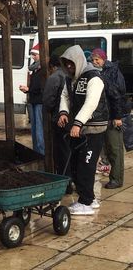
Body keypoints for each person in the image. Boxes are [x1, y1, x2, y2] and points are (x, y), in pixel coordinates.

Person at [58, 45, 108, 215]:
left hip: (93, 129)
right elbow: (64, 96)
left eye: (71, 64)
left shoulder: (94, 78)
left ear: (78, 61)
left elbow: (91, 103)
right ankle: (89, 198)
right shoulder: (69, 78)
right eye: (66, 64)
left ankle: (85, 203)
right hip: (78, 129)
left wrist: (78, 122)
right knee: (76, 164)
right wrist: (63, 112)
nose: (69, 67)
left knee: (86, 165)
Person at [91, 48, 127, 189]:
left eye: (97, 59)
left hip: (112, 116)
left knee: (114, 149)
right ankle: (114, 177)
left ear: (103, 59)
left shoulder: (111, 72)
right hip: (105, 116)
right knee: (108, 148)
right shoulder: (101, 72)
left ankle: (116, 179)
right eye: (93, 60)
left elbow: (116, 95)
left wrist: (117, 117)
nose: (95, 62)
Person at [42, 54, 69, 176]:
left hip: (58, 118)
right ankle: (72, 178)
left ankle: (64, 178)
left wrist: (49, 111)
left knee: (60, 151)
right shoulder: (69, 74)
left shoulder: (54, 77)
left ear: (52, 66)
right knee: (69, 149)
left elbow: (48, 100)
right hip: (71, 118)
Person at [19, 44, 45, 155]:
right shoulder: (35, 70)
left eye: (35, 55)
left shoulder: (43, 70)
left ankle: (41, 154)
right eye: (32, 55)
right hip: (34, 101)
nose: (33, 57)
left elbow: (41, 88)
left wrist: (29, 89)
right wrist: (28, 90)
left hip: (39, 103)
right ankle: (36, 153)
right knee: (35, 131)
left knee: (39, 131)